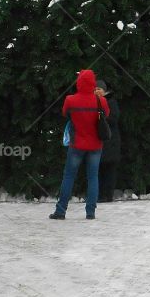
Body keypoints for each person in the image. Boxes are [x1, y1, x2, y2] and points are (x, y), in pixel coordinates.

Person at [50, 69, 109, 220]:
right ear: (92, 83)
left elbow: (65, 113)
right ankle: (91, 212)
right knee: (93, 177)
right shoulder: (100, 100)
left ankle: (61, 210)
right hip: (95, 145)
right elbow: (106, 115)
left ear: (79, 82)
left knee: (69, 176)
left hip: (76, 144)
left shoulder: (70, 100)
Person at [95, 80, 121, 202]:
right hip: (99, 142)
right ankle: (100, 195)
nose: (97, 91)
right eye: (95, 89)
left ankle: (107, 195)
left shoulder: (111, 102)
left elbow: (113, 119)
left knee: (109, 169)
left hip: (111, 141)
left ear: (104, 90)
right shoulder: (93, 102)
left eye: (99, 89)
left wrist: (100, 116)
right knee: (98, 169)